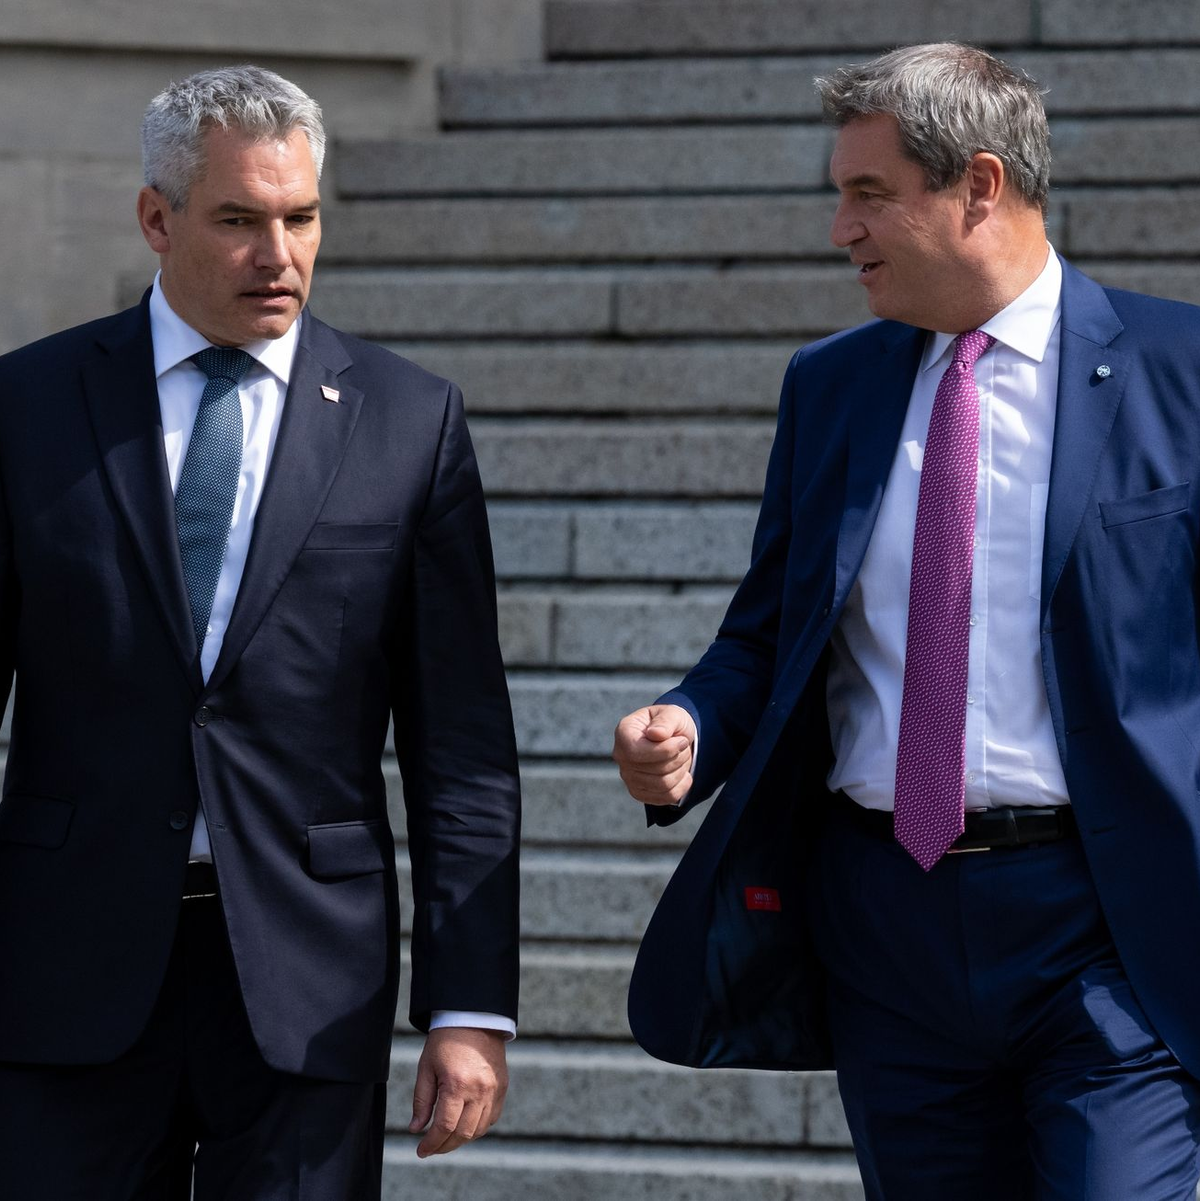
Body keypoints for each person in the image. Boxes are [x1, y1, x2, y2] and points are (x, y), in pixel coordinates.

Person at [613, 42, 1200, 1200]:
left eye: (868, 193)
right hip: (887, 928)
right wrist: (684, 728)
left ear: (979, 185)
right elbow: (765, 632)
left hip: (1106, 926)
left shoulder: (1181, 370)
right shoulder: (832, 384)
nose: (842, 228)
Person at [0, 65, 520, 1199]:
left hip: (305, 978)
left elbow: (462, 742)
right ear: (156, 217)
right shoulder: (25, 406)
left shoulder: (409, 421)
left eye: (300, 218)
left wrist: (469, 1004)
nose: (277, 255)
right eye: (238, 219)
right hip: (63, 965)